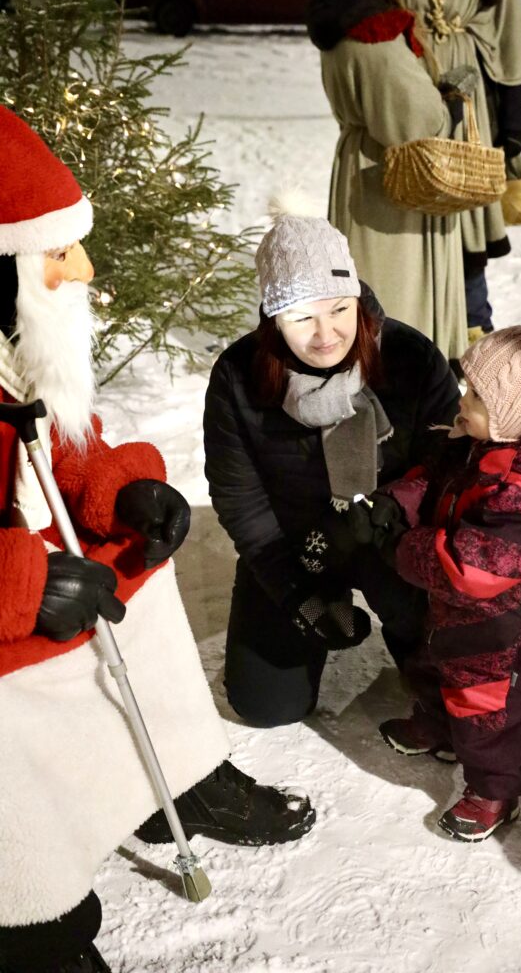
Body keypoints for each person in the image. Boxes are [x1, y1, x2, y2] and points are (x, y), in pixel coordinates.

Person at [0, 107, 314, 973]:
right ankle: (25, 915)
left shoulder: (9, 342)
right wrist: (25, 582)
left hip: (23, 555)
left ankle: (168, 773)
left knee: (141, 569)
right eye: (56, 254)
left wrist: (122, 488)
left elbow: (66, 441)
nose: (83, 270)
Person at [203, 200, 460, 729]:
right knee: (266, 705)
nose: (326, 335)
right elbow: (239, 497)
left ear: (358, 300)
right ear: (275, 319)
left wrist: (399, 521)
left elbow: (449, 460)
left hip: (392, 539)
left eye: (340, 310)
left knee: (458, 687)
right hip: (298, 546)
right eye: (302, 318)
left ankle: (414, 630)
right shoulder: (238, 376)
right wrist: (295, 590)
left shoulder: (408, 357)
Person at [346, 290, 521, 841]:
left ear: (513, 416)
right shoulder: (480, 442)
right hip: (455, 615)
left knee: (489, 714)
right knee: (432, 663)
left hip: (499, 628)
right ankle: (438, 726)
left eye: (477, 395)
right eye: (468, 387)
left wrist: (398, 546)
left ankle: (495, 788)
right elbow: (437, 474)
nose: (462, 399)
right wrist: (399, 501)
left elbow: (467, 566)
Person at [306, 0, 470, 361]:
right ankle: (405, 375)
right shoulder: (373, 34)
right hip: (389, 178)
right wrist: (446, 106)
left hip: (363, 166)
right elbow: (413, 120)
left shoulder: (344, 19)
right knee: (398, 287)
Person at [402, 0, 521, 341]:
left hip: (471, 97)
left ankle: (473, 330)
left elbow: (509, 29)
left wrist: (515, 117)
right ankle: (416, 332)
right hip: (408, 86)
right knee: (412, 211)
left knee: (466, 216)